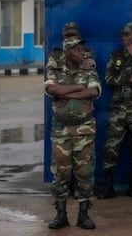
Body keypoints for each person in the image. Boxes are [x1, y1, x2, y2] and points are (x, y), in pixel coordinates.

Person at [44, 36, 102, 230]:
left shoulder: (89, 68)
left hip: (84, 129)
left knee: (85, 172)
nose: (81, 53)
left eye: (82, 50)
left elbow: (93, 92)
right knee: (61, 172)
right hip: (61, 130)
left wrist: (65, 92)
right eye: (76, 50)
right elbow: (52, 89)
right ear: (67, 52)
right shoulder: (55, 70)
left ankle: (83, 215)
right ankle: (61, 215)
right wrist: (78, 87)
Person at [98, 22, 132, 199]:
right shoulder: (116, 56)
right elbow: (108, 79)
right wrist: (127, 77)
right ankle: (108, 186)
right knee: (111, 147)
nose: (124, 38)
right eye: (123, 35)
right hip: (119, 109)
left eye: (128, 35)